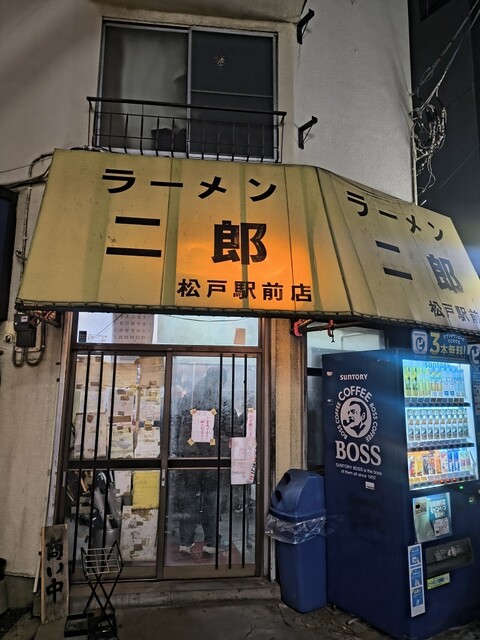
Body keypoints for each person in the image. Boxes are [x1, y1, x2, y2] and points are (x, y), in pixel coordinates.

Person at [172, 366, 240, 556]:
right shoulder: (223, 402)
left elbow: (176, 426)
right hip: (214, 461)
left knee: (189, 500)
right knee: (212, 500)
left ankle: (185, 543)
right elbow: (234, 431)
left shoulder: (189, 399)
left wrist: (178, 452)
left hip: (189, 459)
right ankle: (211, 542)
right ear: (222, 381)